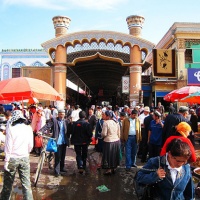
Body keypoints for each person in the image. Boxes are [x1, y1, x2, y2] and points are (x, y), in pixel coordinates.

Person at [0, 110, 33, 200]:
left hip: (12, 159)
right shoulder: (28, 128)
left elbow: (8, 146)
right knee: (26, 184)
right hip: (25, 157)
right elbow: (31, 145)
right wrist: (26, 152)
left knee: (8, 185)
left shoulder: (11, 128)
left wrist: (6, 161)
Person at [40, 109, 70, 177]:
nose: (61, 115)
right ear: (58, 114)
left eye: (62, 114)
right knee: (58, 157)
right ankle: (57, 171)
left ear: (64, 114)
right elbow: (47, 125)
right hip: (57, 141)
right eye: (60, 114)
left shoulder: (66, 121)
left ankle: (62, 168)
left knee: (63, 156)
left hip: (64, 141)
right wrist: (41, 131)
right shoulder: (54, 120)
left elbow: (69, 129)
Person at [101, 110, 120, 175]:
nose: (103, 116)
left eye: (104, 115)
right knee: (114, 155)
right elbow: (118, 133)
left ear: (108, 116)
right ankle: (114, 168)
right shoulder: (116, 122)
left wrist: (101, 135)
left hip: (108, 141)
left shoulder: (106, 123)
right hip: (116, 141)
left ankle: (108, 170)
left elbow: (104, 133)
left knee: (108, 156)